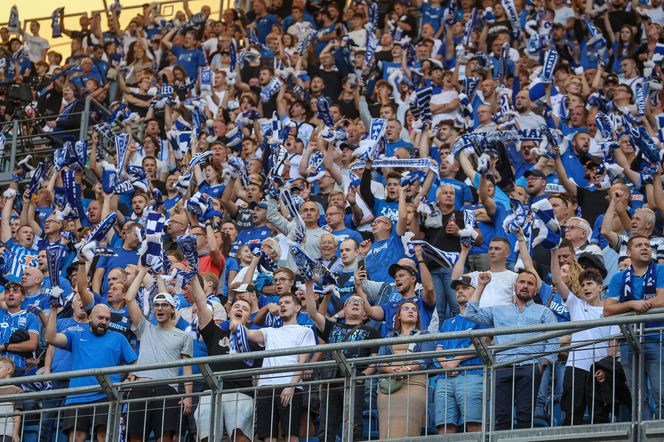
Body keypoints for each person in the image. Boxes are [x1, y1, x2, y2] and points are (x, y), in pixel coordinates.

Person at [465, 271, 559, 430]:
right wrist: (481, 285)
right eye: (522, 282)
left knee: (525, 414)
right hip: (502, 366)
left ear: (535, 290)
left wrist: (542, 364)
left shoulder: (544, 312)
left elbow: (553, 340)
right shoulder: (499, 310)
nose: (525, 286)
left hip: (530, 367)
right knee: (501, 416)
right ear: (515, 286)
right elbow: (470, 313)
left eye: (530, 284)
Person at [41, 302, 137, 442]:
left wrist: (129, 379)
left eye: (107, 319)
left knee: (105, 436)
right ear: (90, 317)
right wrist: (54, 310)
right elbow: (51, 338)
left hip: (107, 394)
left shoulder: (118, 338)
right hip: (77, 396)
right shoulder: (76, 334)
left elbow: (134, 362)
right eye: (100, 318)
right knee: (76, 437)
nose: (104, 322)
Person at [301, 279, 379, 442]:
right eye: (351, 301)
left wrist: (361, 376)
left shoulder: (371, 331)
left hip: (354, 379)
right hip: (330, 379)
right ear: (344, 309)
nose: (356, 303)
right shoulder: (332, 327)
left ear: (365, 313)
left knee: (354, 425)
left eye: (359, 302)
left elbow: (374, 362)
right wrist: (309, 285)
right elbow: (312, 313)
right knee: (326, 427)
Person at [230, 293, 315, 442]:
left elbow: (302, 362)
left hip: (289, 386)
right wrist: (236, 320)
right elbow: (247, 333)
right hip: (265, 387)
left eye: (287, 302)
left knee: (291, 435)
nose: (282, 305)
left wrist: (291, 386)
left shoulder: (305, 331)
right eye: (280, 302)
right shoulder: (269, 331)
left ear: (297, 308)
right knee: (268, 436)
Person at [550, 248, 620, 425]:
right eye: (582, 285)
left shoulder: (610, 311)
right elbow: (558, 281)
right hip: (576, 367)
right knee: (572, 414)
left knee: (600, 415)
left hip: (599, 368)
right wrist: (553, 253)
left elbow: (613, 344)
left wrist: (606, 369)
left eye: (590, 284)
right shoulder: (576, 305)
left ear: (601, 287)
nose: (586, 288)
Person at [123, 268, 194, 442]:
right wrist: (144, 270)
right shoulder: (145, 327)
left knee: (165, 438)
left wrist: (188, 396)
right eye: (156, 305)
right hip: (140, 388)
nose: (160, 308)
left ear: (172, 309)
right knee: (135, 438)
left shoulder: (184, 335)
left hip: (167, 389)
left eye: (164, 305)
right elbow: (129, 298)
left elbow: (187, 369)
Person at [604, 235, 664, 419]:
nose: (645, 248)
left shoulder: (660, 270)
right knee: (638, 396)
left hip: (656, 338)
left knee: (660, 393)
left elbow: (662, 300)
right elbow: (607, 309)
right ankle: (643, 434)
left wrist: (643, 305)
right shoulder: (618, 277)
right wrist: (632, 305)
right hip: (629, 342)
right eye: (639, 245)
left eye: (647, 245)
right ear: (628, 252)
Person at [191, 275, 256, 442]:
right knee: (206, 437)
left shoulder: (255, 337)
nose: (240, 309)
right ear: (229, 311)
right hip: (211, 391)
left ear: (249, 317)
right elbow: (201, 305)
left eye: (245, 308)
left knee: (239, 435)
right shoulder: (216, 332)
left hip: (240, 392)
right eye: (236, 306)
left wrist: (242, 330)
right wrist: (193, 278)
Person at [434, 276, 487, 434]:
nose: (460, 291)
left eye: (465, 288)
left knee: (473, 423)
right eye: (457, 289)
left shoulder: (483, 316)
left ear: (475, 291)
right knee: (444, 425)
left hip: (472, 374)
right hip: (445, 377)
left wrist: (454, 362)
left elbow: (483, 341)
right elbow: (438, 348)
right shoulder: (447, 322)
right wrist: (446, 365)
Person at [376, 299, 434, 439]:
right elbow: (378, 362)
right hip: (390, 387)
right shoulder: (388, 337)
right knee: (386, 428)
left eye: (414, 310)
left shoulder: (425, 335)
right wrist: (392, 371)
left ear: (418, 317)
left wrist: (406, 369)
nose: (410, 311)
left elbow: (425, 360)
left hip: (414, 385)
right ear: (399, 316)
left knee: (409, 426)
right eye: (406, 309)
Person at [0, 357, 22, 442]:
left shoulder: (16, 390)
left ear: (8, 370)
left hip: (5, 431)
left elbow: (17, 413)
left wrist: (15, 433)